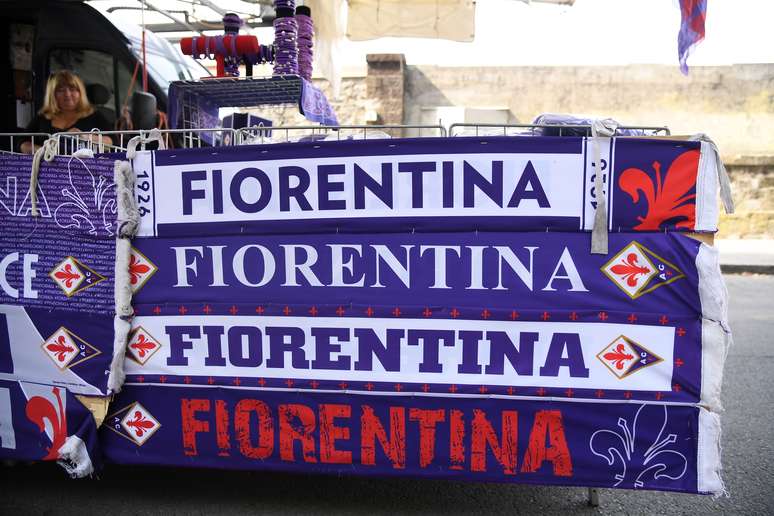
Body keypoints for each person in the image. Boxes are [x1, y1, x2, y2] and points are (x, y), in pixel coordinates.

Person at [20, 70, 113, 153]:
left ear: (80, 93)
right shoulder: (43, 117)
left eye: (72, 89)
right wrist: (43, 151)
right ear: (52, 95)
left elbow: (112, 141)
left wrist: (85, 137)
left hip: (84, 170)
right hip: (49, 170)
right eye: (60, 90)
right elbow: (22, 143)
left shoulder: (94, 115)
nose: (67, 95)